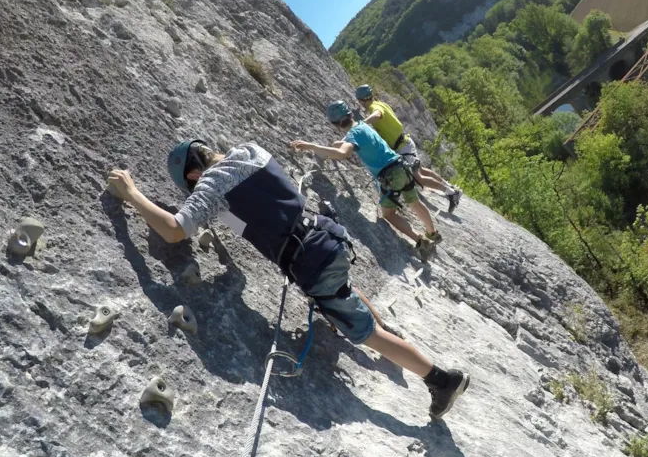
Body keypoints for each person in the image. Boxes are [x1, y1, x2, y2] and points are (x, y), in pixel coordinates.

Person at [106, 139, 469, 418]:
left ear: (192, 174)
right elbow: (252, 214)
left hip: (310, 259)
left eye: (191, 185)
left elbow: (175, 230)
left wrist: (132, 193)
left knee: (362, 331)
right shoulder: (250, 150)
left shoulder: (212, 184)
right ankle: (392, 333)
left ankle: (440, 379)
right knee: (340, 290)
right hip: (326, 236)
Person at [291, 101, 441, 259]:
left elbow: (343, 153)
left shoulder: (352, 135)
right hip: (401, 166)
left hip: (390, 175)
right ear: (350, 114)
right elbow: (355, 141)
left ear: (335, 123)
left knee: (389, 214)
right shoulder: (362, 125)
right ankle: (433, 233)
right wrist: (338, 144)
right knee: (414, 202)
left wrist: (311, 146)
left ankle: (421, 241)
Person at [355, 84, 462, 214]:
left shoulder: (374, 107)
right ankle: (449, 186)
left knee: (417, 177)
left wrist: (362, 124)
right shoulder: (379, 103)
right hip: (405, 142)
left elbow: (377, 115)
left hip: (402, 147)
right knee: (420, 169)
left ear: (361, 100)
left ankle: (451, 192)